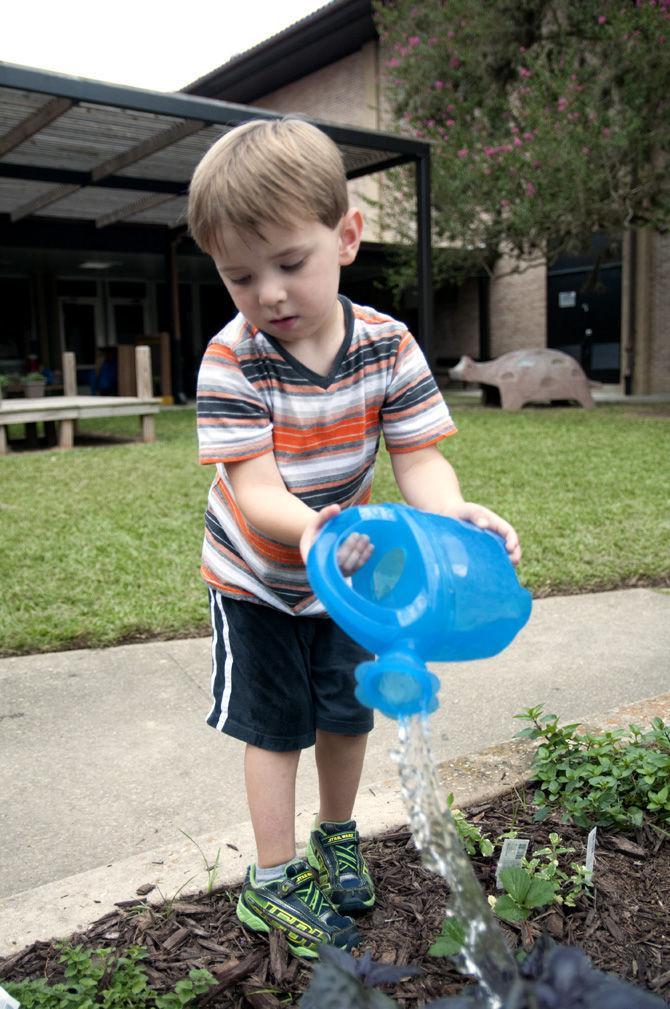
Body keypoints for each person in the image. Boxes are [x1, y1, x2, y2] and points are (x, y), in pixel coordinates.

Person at [188, 117, 521, 959]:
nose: (268, 294)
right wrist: (315, 533)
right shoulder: (233, 363)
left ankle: (337, 835)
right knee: (277, 725)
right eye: (240, 277)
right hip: (258, 578)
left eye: (289, 264)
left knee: (346, 712)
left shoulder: (388, 347)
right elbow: (254, 488)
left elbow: (419, 462)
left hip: (358, 570)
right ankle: (270, 882)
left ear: (347, 236)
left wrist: (454, 515)